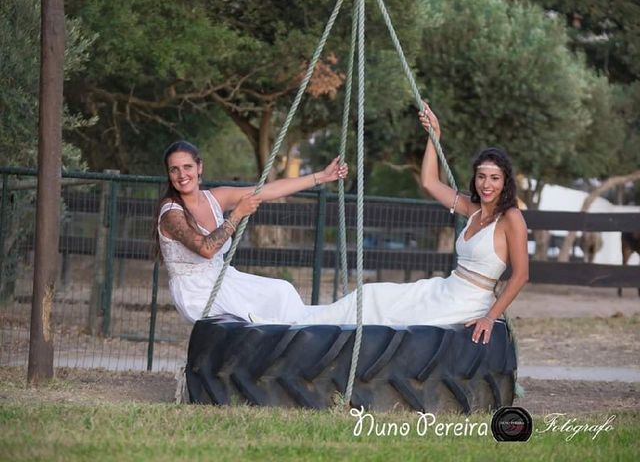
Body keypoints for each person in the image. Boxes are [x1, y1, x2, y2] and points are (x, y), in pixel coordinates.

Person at [257, 102, 529, 344]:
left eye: (494, 178)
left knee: (391, 314)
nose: (487, 184)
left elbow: (520, 275)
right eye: (482, 176)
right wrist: (434, 137)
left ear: (505, 181)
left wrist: (491, 317)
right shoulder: (472, 207)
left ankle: (301, 327)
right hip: (444, 288)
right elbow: (429, 182)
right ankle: (298, 318)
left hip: (467, 301)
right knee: (372, 294)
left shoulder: (510, 218)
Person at [156, 140, 348, 324]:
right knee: (277, 300)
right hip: (196, 293)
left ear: (199, 167)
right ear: (169, 174)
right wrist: (237, 214)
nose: (182, 174)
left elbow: (269, 190)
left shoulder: (215, 197)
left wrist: (321, 177)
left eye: (187, 167)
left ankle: (305, 337)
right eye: (174, 169)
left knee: (283, 291)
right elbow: (206, 249)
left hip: (222, 280)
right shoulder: (171, 213)